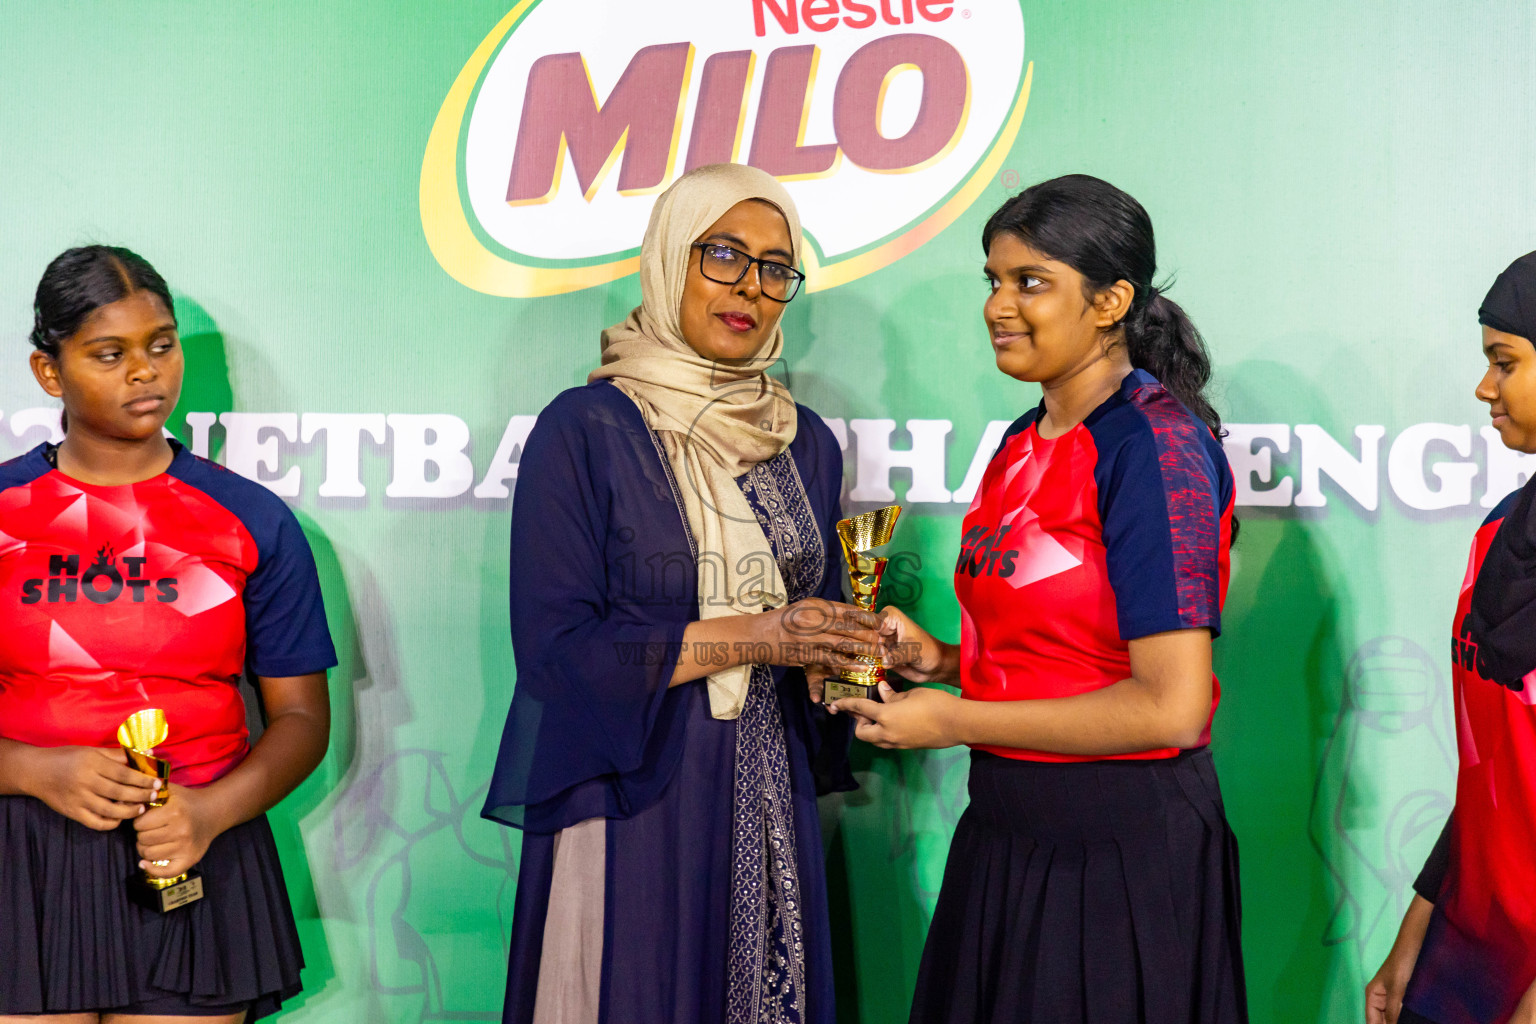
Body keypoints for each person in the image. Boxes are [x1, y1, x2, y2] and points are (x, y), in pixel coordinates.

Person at [830, 174, 1248, 1023]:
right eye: (992, 279)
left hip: (1121, 857)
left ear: (1112, 301)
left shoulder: (1155, 449)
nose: (998, 304)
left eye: (1031, 282)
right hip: (1006, 835)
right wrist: (939, 661)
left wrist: (954, 720)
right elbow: (1060, 652)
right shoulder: (1022, 439)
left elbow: (1170, 708)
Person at [481, 163, 881, 1024]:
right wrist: (757, 634)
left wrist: (845, 655)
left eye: (777, 267)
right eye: (723, 255)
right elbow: (560, 660)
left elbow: (815, 630)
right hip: (633, 801)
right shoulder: (583, 431)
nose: (751, 288)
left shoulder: (803, 442)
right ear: (669, 259)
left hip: (769, 799)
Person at [0, 245, 336, 1022]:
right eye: (109, 354)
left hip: (195, 846)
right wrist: (28, 770)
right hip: (21, 856)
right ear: (49, 372)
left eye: (160, 344)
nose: (145, 372)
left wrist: (211, 813)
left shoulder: (252, 519)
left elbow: (301, 720)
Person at [1365, 251, 1536, 1024]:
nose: (1484, 388)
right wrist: (1417, 928)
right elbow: (1489, 775)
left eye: (1506, 363)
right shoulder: (1497, 533)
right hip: (1472, 949)